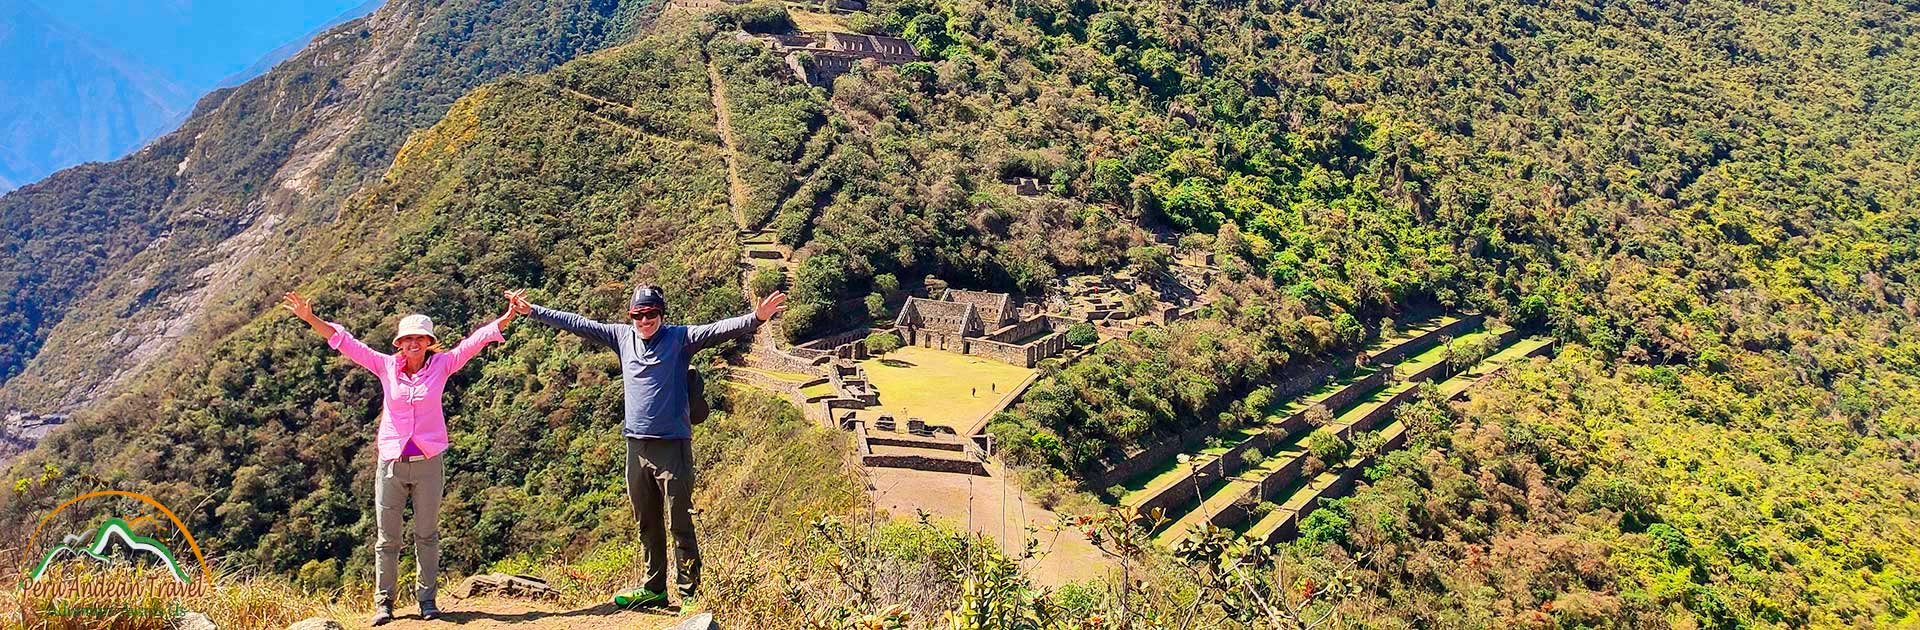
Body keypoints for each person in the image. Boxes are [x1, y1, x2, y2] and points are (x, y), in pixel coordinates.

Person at [511, 284, 785, 608]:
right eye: (638, 315)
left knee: (679, 522)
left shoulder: (680, 339)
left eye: (651, 314)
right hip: (636, 447)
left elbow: (718, 330)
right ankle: (654, 588)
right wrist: (534, 311)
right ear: (631, 317)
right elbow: (579, 323)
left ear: (661, 314)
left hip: (672, 448)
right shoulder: (622, 337)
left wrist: (756, 318)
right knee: (647, 521)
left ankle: (690, 595)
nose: (645, 321)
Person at [281, 290, 526, 625]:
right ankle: (384, 604)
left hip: (428, 463)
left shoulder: (442, 365)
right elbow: (346, 342)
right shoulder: (385, 367)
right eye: (407, 339)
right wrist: (311, 319)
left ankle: (427, 601)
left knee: (427, 534)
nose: (413, 344)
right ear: (399, 343)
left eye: (419, 338)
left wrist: (508, 316)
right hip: (392, 464)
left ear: (429, 341)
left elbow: (475, 341)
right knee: (387, 539)